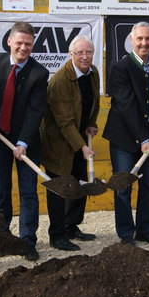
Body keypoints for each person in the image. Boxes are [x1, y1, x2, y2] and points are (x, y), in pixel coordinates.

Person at [0, 21, 48, 261]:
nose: (23, 47)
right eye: (19, 42)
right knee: (1, 192)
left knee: (28, 192)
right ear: (9, 41)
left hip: (26, 143)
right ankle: (3, 238)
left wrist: (23, 143)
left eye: (28, 44)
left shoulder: (39, 73)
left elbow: (35, 111)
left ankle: (28, 241)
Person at [103, 22, 149, 245]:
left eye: (148, 39)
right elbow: (127, 106)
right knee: (123, 185)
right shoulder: (121, 68)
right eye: (140, 39)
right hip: (125, 138)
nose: (144, 43)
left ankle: (145, 229)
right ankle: (125, 234)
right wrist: (144, 139)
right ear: (131, 40)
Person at [40, 35, 100, 251]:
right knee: (60, 188)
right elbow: (64, 122)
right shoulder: (59, 81)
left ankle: (72, 225)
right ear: (70, 54)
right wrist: (82, 146)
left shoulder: (93, 73)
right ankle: (57, 235)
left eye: (88, 52)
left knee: (79, 184)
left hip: (80, 140)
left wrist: (91, 124)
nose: (85, 57)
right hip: (59, 144)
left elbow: (94, 102)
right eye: (80, 53)